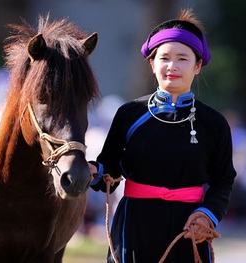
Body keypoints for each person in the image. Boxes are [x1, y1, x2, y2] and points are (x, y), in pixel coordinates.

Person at [88, 9, 237, 263]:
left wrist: (207, 214)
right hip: (134, 225)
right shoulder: (129, 114)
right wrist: (89, 170)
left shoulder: (214, 123)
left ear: (198, 66)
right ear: (152, 63)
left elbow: (223, 181)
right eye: (164, 58)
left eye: (182, 59)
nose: (172, 66)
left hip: (190, 228)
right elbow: (108, 170)